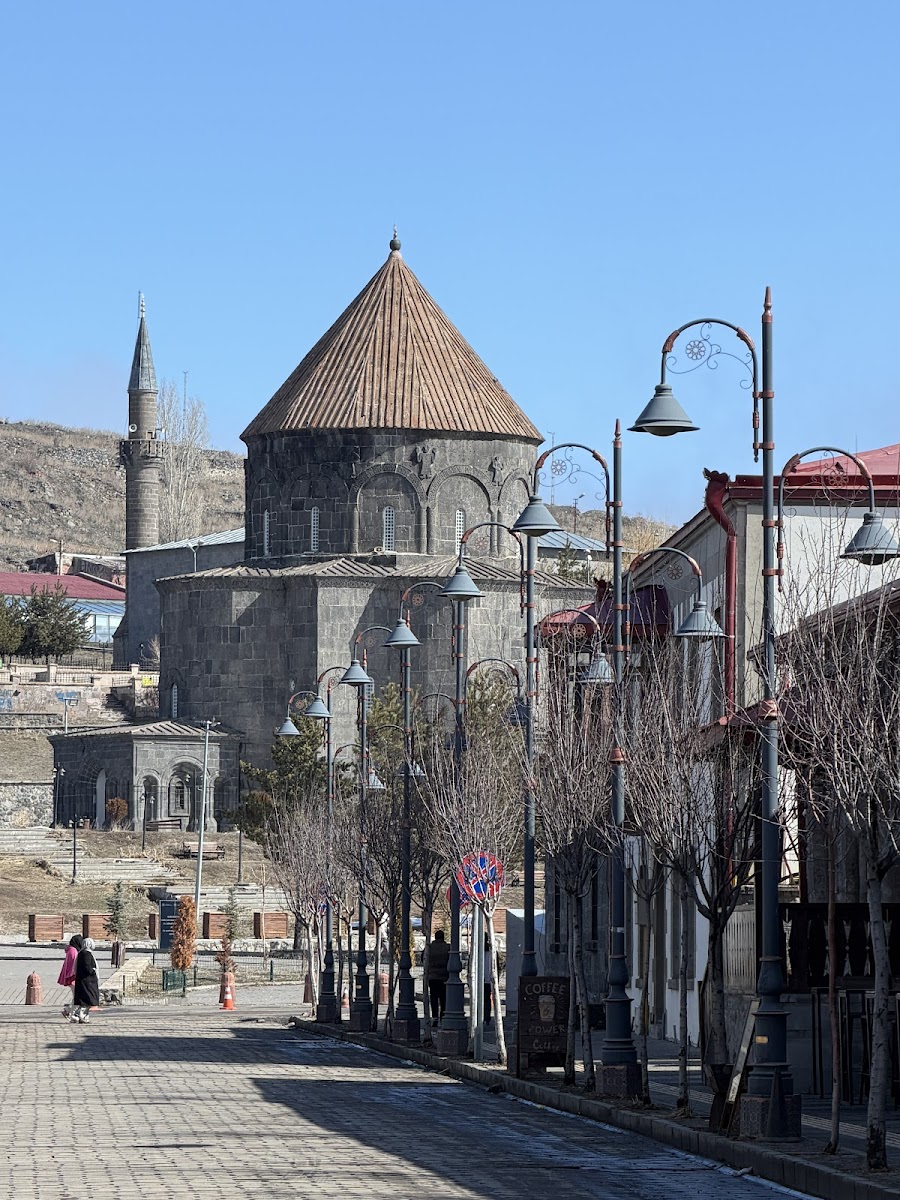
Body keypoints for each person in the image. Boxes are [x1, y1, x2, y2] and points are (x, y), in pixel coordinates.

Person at [71, 936, 99, 1024]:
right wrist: (93, 972)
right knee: (87, 1000)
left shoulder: (81, 953)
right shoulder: (86, 954)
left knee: (84, 1000)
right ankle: (82, 1016)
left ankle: (80, 1016)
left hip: (82, 981)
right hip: (87, 982)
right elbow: (88, 967)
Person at [426, 929, 450, 1026]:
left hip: (433, 976)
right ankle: (443, 1016)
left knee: (434, 997)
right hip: (444, 977)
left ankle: (435, 1017)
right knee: (443, 998)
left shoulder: (429, 948)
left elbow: (424, 958)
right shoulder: (448, 947)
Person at [58, 934, 83, 1019]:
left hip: (71, 977)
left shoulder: (71, 949)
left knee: (77, 996)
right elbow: (73, 965)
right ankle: (71, 1013)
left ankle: (68, 1010)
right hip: (72, 977)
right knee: (77, 997)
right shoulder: (73, 951)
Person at [483, 932, 493, 1028]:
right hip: (489, 979)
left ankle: (480, 1017)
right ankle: (487, 1017)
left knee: (479, 999)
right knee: (487, 999)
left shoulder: (476, 950)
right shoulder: (492, 950)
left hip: (479, 980)